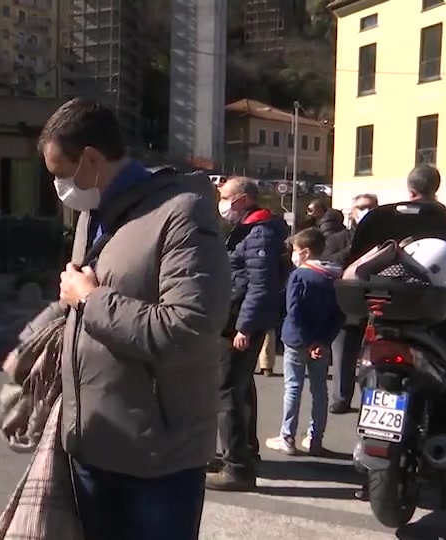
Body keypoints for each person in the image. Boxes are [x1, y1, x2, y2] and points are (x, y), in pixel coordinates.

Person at [24, 97, 230, 539]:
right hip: (91, 447)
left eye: (62, 174)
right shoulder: (91, 216)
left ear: (93, 160)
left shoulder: (182, 214)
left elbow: (189, 329)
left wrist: (90, 300)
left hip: (156, 460)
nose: (60, 187)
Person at [207, 177, 287, 491]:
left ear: (241, 199)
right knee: (239, 387)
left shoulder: (259, 234)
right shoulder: (251, 230)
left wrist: (244, 326)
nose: (221, 201)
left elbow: (261, 285)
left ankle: (237, 467)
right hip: (237, 319)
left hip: (240, 323)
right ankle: (242, 452)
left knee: (226, 389)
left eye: (225, 196)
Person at [266, 228, 344, 456]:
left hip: (297, 339)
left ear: (306, 253)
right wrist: (322, 341)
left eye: (296, 250)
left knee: (293, 387)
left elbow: (294, 311)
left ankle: (287, 437)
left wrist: (309, 341)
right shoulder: (334, 276)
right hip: (322, 341)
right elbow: (339, 314)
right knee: (320, 390)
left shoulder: (299, 275)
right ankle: (315, 438)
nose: (293, 255)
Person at [329, 193, 378, 414]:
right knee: (343, 356)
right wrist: (358, 248)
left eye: (370, 207)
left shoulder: (386, 239)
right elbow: (329, 264)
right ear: (353, 212)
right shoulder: (339, 239)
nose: (366, 211)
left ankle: (375, 401)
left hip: (378, 307)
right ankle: (341, 398)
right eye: (361, 207)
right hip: (346, 307)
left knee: (377, 359)